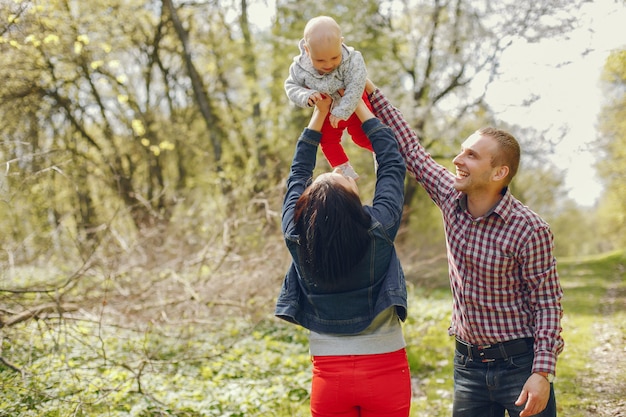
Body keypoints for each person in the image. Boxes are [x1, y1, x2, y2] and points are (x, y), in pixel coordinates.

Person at [365, 80, 564, 417]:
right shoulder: (449, 196)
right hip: (468, 367)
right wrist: (367, 91)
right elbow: (412, 150)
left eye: (471, 155)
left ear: (499, 172)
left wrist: (541, 373)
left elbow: (546, 304)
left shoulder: (530, 228)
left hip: (520, 366)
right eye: (461, 150)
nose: (457, 159)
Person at [275, 93, 411, 417]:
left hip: (329, 373)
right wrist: (359, 105)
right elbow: (392, 164)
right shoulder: (379, 230)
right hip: (387, 369)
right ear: (355, 204)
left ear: (306, 208)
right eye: (343, 179)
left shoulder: (297, 237)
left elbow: (297, 173)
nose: (343, 172)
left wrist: (319, 115)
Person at [284, 15, 374, 180]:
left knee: (362, 136)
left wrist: (343, 109)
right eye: (320, 60)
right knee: (327, 141)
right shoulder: (299, 67)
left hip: (352, 102)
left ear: (341, 43)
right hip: (327, 106)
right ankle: (344, 169)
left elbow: (356, 85)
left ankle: (381, 150)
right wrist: (306, 95)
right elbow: (290, 86)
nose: (328, 64)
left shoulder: (353, 59)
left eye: (334, 58)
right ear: (307, 49)